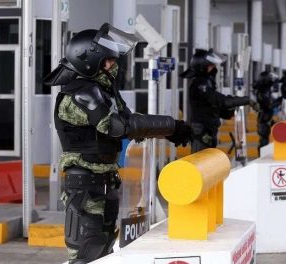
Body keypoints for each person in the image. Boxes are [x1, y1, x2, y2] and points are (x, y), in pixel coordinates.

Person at [44, 23, 192, 264]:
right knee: (86, 255)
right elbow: (117, 127)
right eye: (108, 61)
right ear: (89, 61)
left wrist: (168, 128)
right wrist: (170, 126)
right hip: (85, 187)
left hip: (106, 182)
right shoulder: (81, 93)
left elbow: (129, 119)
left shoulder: (102, 91)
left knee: (105, 254)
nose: (113, 66)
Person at [180, 49, 251, 153]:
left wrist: (228, 113)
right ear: (202, 67)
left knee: (209, 162)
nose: (213, 68)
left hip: (209, 129)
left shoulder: (207, 83)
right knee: (201, 161)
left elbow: (211, 105)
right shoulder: (200, 85)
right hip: (201, 131)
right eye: (210, 66)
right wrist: (245, 100)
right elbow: (220, 101)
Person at [252, 71, 281, 151]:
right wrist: (279, 101)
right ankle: (261, 158)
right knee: (264, 141)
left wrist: (278, 100)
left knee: (275, 134)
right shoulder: (262, 92)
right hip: (263, 119)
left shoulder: (266, 91)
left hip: (267, 118)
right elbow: (268, 106)